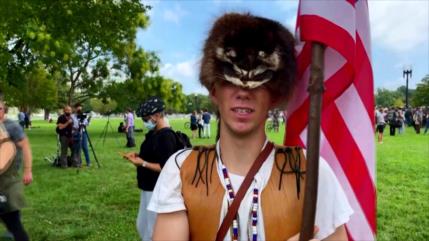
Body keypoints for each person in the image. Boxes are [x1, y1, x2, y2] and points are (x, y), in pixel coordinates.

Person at [148, 13, 352, 241]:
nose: (243, 91)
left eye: (260, 79)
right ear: (213, 90)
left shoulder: (312, 171)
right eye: (229, 79)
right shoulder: (180, 170)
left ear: (276, 95)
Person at [122, 96, 183, 241]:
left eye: (146, 119)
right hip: (147, 187)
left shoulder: (166, 137)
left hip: (158, 189)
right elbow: (151, 155)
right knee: (142, 225)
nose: (145, 122)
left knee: (153, 230)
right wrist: (137, 155)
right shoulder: (154, 134)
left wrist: (142, 163)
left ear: (157, 116)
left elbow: (166, 167)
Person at [0, 100, 33, 241]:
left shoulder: (12, 127)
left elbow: (25, 147)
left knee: (12, 219)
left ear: (4, 110)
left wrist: (27, 170)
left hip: (8, 179)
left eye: (0, 108)